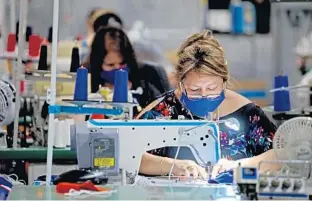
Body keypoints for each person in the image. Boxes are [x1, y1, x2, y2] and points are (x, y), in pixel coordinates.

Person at [136, 30, 277, 179]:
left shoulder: (247, 114)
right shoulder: (162, 111)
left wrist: (242, 165)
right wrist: (171, 166)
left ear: (224, 81)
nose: (204, 95)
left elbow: (280, 154)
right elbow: (125, 153)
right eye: (194, 89)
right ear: (180, 83)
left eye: (211, 88)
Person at [89, 26, 170, 113]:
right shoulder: (89, 86)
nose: (117, 68)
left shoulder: (148, 78)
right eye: (110, 65)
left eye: (122, 63)